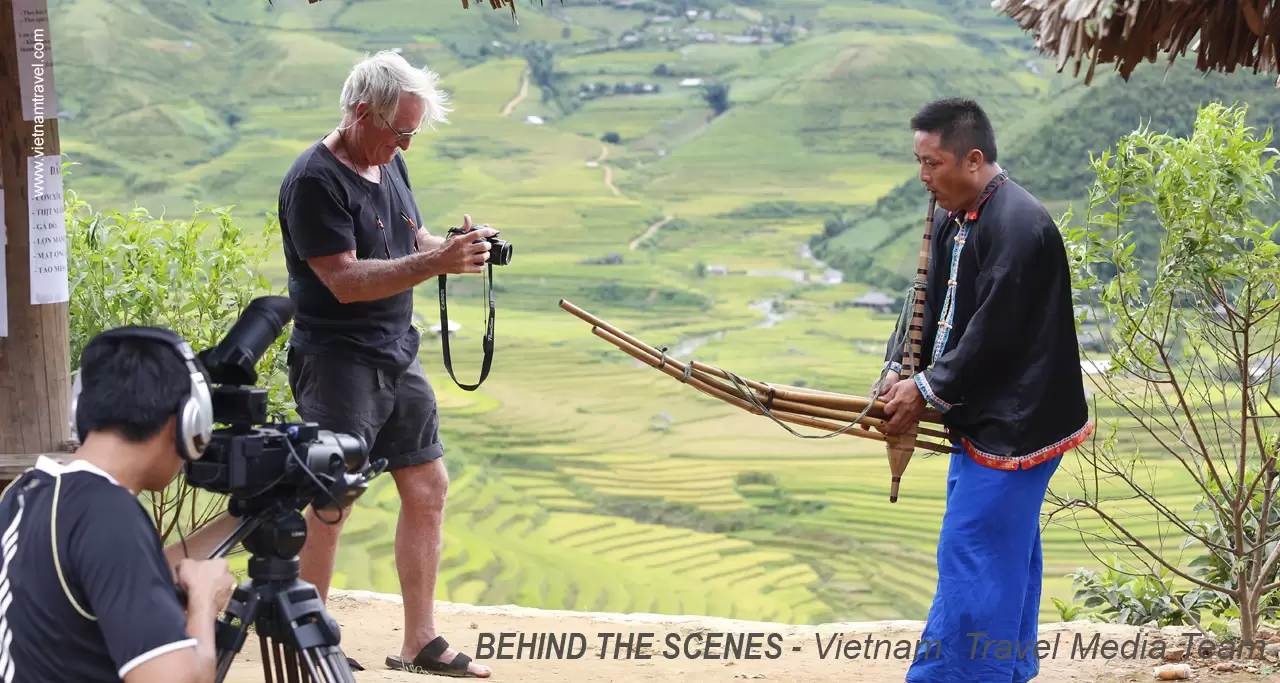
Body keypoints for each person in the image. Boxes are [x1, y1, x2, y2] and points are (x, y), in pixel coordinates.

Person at [276, 50, 494, 678]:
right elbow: (343, 280)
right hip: (338, 360)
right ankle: (310, 644)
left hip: (396, 352)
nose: (406, 145)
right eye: (400, 131)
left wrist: (454, 247)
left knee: (427, 487)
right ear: (362, 113)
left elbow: (407, 239)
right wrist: (434, 264)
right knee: (331, 499)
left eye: (412, 134)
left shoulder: (387, 161)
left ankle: (419, 641)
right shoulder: (315, 181)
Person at [875, 98, 1094, 683]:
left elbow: (991, 333)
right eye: (918, 163)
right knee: (1004, 548)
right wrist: (900, 365)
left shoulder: (1018, 226)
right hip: (984, 412)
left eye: (932, 163)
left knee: (972, 549)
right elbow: (925, 303)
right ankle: (1008, 671)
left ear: (972, 160)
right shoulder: (957, 215)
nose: (923, 177)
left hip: (1018, 421)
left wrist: (923, 391)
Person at [0, 328, 242, 683]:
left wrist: (242, 518)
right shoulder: (108, 516)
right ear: (187, 422)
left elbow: (123, 574)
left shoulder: (29, 490)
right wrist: (205, 601)